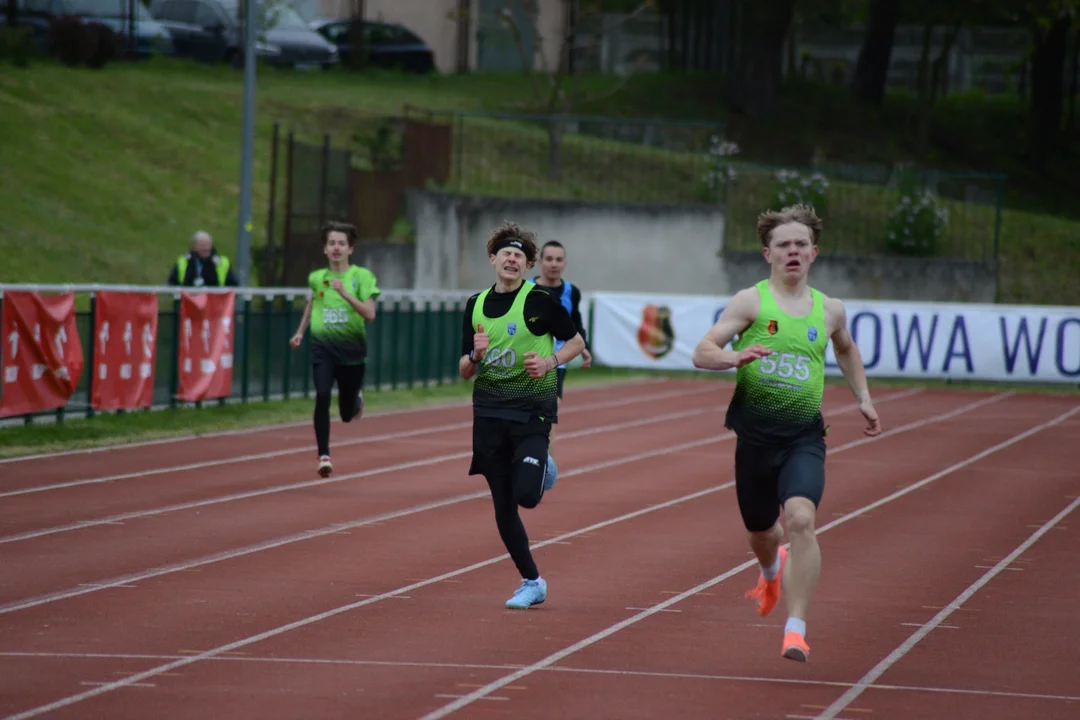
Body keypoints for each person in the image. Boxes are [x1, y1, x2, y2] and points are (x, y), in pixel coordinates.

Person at [690, 204, 881, 663]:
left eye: (800, 245)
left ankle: (796, 629)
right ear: (767, 254)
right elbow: (702, 350)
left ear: (813, 253)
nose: (792, 251)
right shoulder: (751, 302)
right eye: (783, 245)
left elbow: (847, 350)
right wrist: (730, 358)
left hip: (803, 438)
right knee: (762, 532)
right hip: (755, 440)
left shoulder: (830, 310)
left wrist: (864, 397)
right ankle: (770, 572)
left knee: (800, 520)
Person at [460, 222, 586, 610]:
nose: (511, 259)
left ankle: (544, 466)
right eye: (505, 253)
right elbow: (465, 369)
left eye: (519, 255)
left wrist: (549, 361)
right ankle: (532, 581)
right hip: (489, 413)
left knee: (527, 496)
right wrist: (476, 356)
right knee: (503, 505)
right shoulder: (475, 304)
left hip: (532, 410)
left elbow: (578, 342)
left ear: (528, 265)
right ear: (493, 259)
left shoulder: (540, 302)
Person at [290, 221, 380, 478]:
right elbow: (312, 305)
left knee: (346, 414)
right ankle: (324, 455)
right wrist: (300, 332)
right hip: (323, 349)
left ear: (350, 249)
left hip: (352, 353)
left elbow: (370, 314)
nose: (336, 248)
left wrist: (345, 294)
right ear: (325, 249)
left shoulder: (361, 277)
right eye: (332, 243)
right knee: (321, 395)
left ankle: (355, 399)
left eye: (341, 243)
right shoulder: (317, 279)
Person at [532, 240, 592, 448]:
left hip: (558, 360)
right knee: (527, 415)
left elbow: (575, 321)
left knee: (549, 415)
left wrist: (583, 347)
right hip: (529, 359)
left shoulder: (571, 292)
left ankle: (546, 471)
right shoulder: (526, 289)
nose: (554, 264)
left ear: (564, 263)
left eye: (558, 260)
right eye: (549, 259)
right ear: (540, 262)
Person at [167, 231, 240, 287]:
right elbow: (172, 283)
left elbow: (233, 285)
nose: (206, 248)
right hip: (189, 303)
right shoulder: (183, 261)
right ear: (194, 247)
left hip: (215, 304)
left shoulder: (222, 262)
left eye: (208, 245)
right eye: (202, 245)